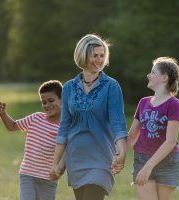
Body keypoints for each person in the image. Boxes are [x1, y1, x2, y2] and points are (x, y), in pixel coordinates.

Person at [50, 33, 128, 200]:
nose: (100, 60)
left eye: (102, 56)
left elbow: (118, 123)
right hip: (76, 158)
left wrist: (122, 151)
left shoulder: (111, 86)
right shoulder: (69, 87)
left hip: (101, 158)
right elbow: (64, 126)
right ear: (83, 55)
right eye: (95, 56)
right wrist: (56, 163)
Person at [0, 80, 65, 200]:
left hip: (49, 179)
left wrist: (60, 170)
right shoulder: (35, 118)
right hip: (28, 174)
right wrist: (3, 114)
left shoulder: (65, 128)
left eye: (51, 100)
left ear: (62, 99)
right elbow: (12, 126)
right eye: (43, 102)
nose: (47, 105)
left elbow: (66, 153)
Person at [125, 57, 179, 200]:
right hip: (142, 158)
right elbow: (132, 136)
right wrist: (119, 157)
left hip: (167, 160)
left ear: (164, 77)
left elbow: (170, 142)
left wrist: (149, 166)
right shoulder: (143, 102)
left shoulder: (174, 104)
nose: (148, 75)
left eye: (152, 72)